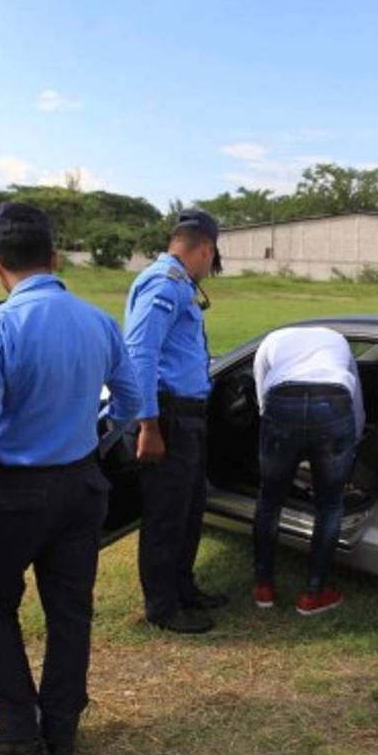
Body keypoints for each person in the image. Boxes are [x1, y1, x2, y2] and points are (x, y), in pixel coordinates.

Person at [0, 202, 139, 755]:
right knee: (70, 611)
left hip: (11, 490)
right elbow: (129, 401)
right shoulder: (99, 322)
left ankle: (15, 729)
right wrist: (91, 441)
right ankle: (61, 732)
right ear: (55, 259)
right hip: (81, 486)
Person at [123, 208, 227, 634]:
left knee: (188, 508)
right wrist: (149, 424)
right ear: (204, 248)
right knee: (166, 513)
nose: (210, 267)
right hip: (167, 414)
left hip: (187, 415)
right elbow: (139, 352)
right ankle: (162, 606)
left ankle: (183, 587)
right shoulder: (165, 283)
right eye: (211, 258)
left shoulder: (180, 283)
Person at [251, 326, 364, 614]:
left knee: (269, 501)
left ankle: (263, 587)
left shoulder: (272, 339)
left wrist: (276, 427)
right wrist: (353, 436)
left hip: (282, 402)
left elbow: (262, 391)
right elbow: (356, 398)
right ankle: (314, 593)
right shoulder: (339, 340)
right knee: (329, 506)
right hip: (334, 403)